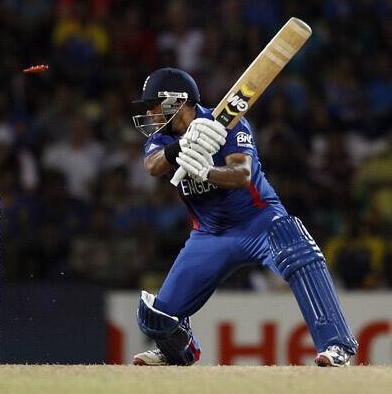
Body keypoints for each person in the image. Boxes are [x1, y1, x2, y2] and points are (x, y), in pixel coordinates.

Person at [130, 68, 358, 367]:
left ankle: (336, 345)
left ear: (177, 101)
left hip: (259, 222)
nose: (150, 112)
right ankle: (178, 352)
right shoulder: (165, 138)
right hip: (210, 235)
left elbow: (241, 174)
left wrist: (205, 171)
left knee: (298, 250)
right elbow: (152, 165)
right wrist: (181, 147)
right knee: (157, 317)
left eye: (154, 104)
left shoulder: (228, 123)